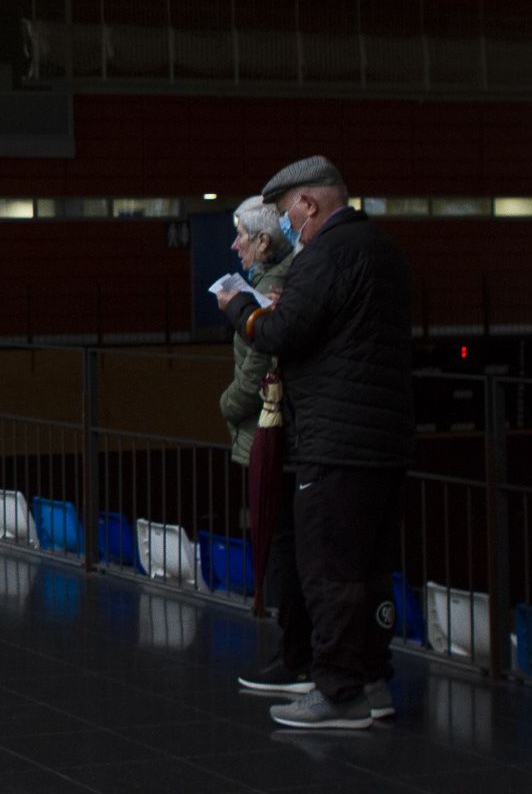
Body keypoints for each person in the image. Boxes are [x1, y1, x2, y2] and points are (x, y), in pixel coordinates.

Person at [216, 156, 413, 730]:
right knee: (371, 570)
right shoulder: (384, 250)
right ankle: (373, 682)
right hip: (386, 439)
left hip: (333, 441)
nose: (283, 226)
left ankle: (337, 690)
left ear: (308, 204)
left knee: (328, 571)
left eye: (284, 214)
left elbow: (282, 334)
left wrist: (242, 309)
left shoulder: (326, 254)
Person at [220, 197, 308, 695]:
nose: (235, 245)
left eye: (241, 236)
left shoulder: (273, 286)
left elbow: (257, 363)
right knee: (286, 544)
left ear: (264, 241)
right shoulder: (282, 278)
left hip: (273, 432)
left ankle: (293, 658)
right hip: (286, 429)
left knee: (282, 546)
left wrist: (227, 405)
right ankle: (297, 655)